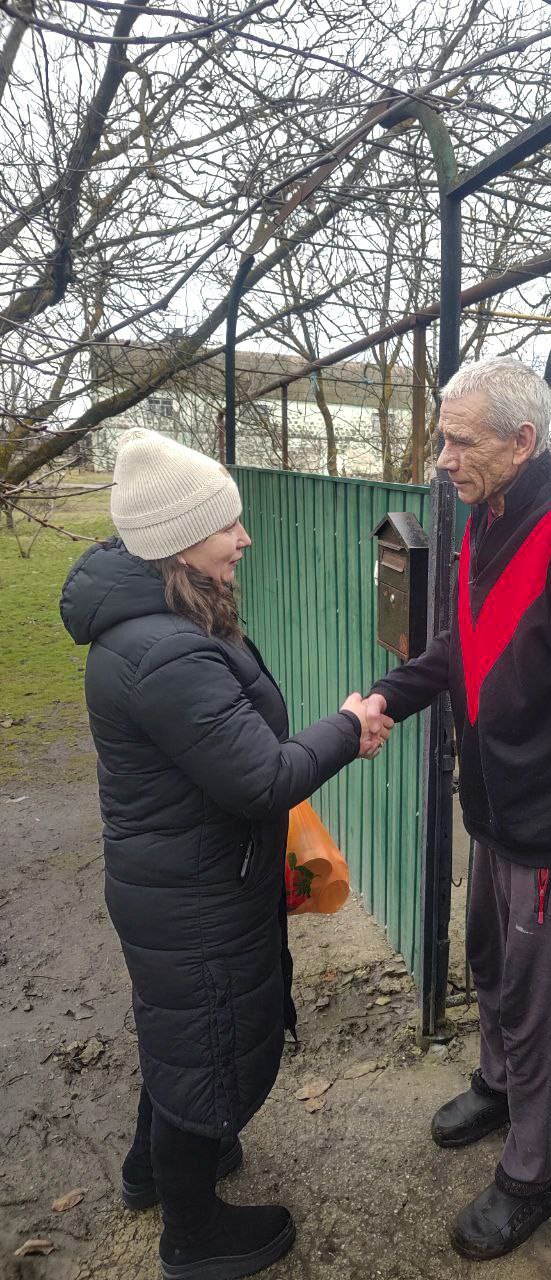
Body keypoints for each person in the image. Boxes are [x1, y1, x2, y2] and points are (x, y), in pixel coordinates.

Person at [60, 429, 391, 1280]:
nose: (243, 539)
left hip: (183, 879)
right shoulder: (162, 649)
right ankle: (194, 1237)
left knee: (182, 1040)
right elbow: (260, 777)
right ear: (178, 543)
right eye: (226, 527)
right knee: (204, 1046)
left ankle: (151, 1175)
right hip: (193, 893)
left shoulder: (161, 622)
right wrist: (349, 727)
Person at [365, 357, 551, 1260]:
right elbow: (463, 649)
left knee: (538, 1009)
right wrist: (385, 696)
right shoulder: (483, 520)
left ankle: (537, 1168)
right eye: (443, 436)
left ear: (521, 441)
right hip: (494, 813)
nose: (442, 457)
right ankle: (498, 1087)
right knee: (491, 969)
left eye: (460, 439)